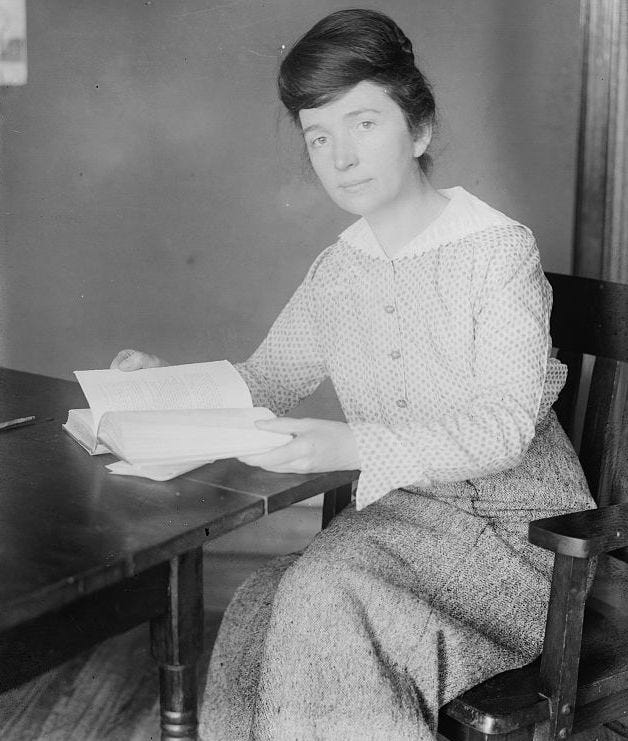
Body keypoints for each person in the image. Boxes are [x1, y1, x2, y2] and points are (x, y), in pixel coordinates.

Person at [111, 9, 595, 740]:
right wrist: (157, 385)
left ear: (419, 129)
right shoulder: (339, 271)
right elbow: (265, 378)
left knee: (320, 594)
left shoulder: (499, 252)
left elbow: (502, 425)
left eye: (363, 122)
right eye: (319, 136)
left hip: (526, 544)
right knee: (256, 604)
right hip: (406, 530)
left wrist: (352, 444)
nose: (341, 156)